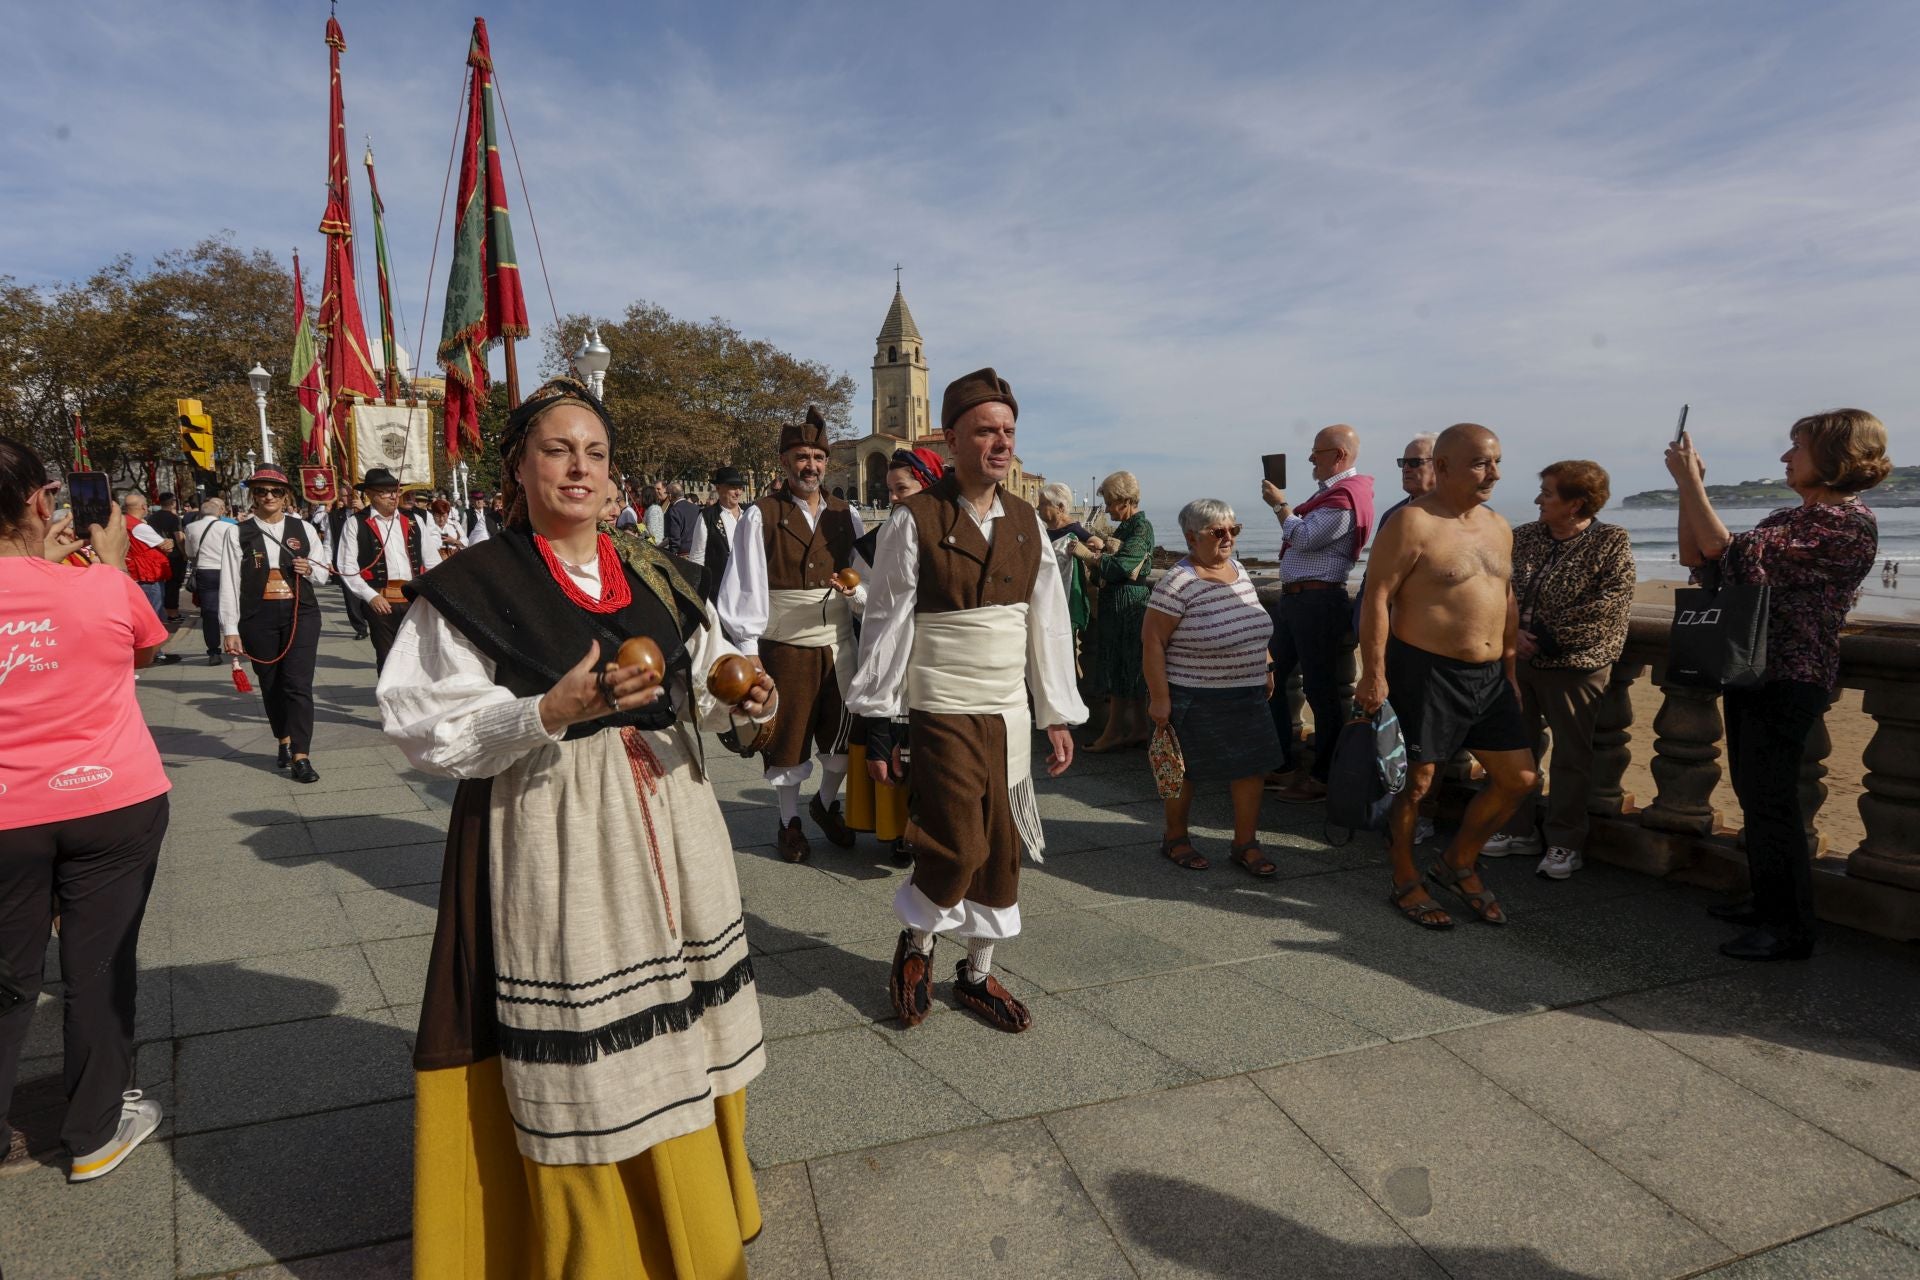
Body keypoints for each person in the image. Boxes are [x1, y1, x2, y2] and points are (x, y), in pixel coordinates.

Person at [376, 377, 776, 1277]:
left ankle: (702, 1221)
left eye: (594, 453)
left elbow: (706, 674)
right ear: (516, 466)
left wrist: (744, 689)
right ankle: (605, 1252)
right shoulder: (473, 584)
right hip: (559, 827)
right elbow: (421, 725)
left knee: (693, 1027)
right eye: (557, 449)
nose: (578, 468)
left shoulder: (652, 570)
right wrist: (546, 710)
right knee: (593, 1050)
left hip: (675, 821)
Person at [849, 368, 1086, 1034]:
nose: (1000, 443)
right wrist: (880, 720)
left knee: (1002, 850)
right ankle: (917, 946)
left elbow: (1047, 620)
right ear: (951, 438)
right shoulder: (913, 519)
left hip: (1007, 708)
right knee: (958, 842)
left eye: (1008, 431)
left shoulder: (1027, 521)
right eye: (986, 430)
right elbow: (888, 621)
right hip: (942, 701)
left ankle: (976, 972)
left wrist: (1055, 712)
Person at [0, 437, 169, 1184]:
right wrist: (102, 567)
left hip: (7, 815)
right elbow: (143, 651)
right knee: (97, 967)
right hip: (111, 799)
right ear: (41, 500)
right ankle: (96, 1130)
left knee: (6, 978)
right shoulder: (101, 584)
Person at [1670, 410, 1888, 961]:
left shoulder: (1850, 524)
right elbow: (1700, 557)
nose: (1786, 457)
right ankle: (1767, 902)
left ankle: (1789, 927)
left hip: (1793, 674)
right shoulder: (1785, 516)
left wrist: (1691, 481)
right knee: (1753, 792)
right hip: (1752, 665)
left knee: (1773, 801)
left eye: (1797, 446)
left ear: (1837, 455)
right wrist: (1684, 491)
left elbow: (1726, 550)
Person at [1356, 423, 1537, 930]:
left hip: (1489, 677)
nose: (1494, 473)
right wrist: (1374, 672)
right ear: (1444, 466)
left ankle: (1457, 861)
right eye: (1482, 463)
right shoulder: (1413, 523)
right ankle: (1405, 878)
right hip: (1425, 669)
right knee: (1417, 785)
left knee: (1519, 778)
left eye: (1497, 461)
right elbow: (1377, 595)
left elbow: (1504, 596)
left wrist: (1509, 668)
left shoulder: (1499, 526)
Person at [717, 407, 865, 861]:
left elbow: (864, 574)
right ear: (784, 462)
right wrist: (749, 649)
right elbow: (744, 582)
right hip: (785, 645)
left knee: (843, 740)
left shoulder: (848, 515)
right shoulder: (761, 516)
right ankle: (789, 822)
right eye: (802, 457)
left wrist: (857, 596)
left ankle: (823, 805)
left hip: (839, 641)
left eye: (819, 457)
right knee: (789, 740)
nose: (811, 466)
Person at [1481, 461, 1634, 878]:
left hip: (1575, 667)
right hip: (1517, 663)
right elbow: (1495, 587)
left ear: (1576, 503)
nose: (1537, 500)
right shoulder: (1524, 536)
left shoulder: (1610, 540)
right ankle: (1517, 830)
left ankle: (1565, 842)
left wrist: (1543, 638)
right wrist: (1511, 636)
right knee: (1517, 748)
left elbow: (1611, 604)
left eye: (1547, 493)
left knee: (1572, 757)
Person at [1142, 499, 1281, 874]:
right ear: (1191, 537)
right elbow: (1152, 641)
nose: (1227, 538)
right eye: (1217, 532)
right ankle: (1175, 839)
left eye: (1233, 530)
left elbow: (1251, 619)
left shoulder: (1238, 569)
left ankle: (1245, 844)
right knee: (1185, 770)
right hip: (1194, 692)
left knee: (1251, 768)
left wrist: (1266, 662)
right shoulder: (1178, 582)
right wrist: (1159, 699)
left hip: (1247, 690)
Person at [1262, 424, 1374, 803]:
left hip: (1318, 602)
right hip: (1298, 601)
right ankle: (1282, 764)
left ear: (1338, 455)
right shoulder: (1331, 494)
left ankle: (1325, 776)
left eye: (1317, 452)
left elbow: (1306, 538)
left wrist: (1281, 505)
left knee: (1321, 691)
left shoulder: (1345, 496)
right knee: (1271, 676)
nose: (1310, 458)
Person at [845, 446, 945, 867]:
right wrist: (855, 595)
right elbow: (880, 613)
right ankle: (897, 832)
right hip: (895, 658)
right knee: (894, 745)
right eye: (890, 491)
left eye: (902, 489)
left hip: (936, 659)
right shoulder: (877, 541)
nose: (894, 500)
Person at [220, 466, 330, 783]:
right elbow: (229, 581)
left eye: (275, 491)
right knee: (271, 685)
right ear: (252, 495)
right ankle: (283, 738)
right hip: (258, 616)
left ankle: (301, 755)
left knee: (298, 685)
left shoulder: (304, 528)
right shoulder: (236, 532)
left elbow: (323, 573)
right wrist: (230, 628)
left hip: (301, 612)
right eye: (261, 491)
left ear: (285, 496)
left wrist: (309, 567)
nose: (268, 496)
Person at [1066, 471, 1153, 751]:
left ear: (1126, 501)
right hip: (1119, 602)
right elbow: (1111, 571)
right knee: (1127, 668)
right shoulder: (1127, 529)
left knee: (1122, 668)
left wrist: (1089, 556)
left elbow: (1121, 568)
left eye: (1111, 502)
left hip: (1129, 606)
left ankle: (1113, 732)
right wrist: (1104, 555)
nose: (1107, 508)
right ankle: (1138, 728)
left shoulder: (1141, 527)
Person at [335, 467, 439, 672]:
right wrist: (370, 596)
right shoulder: (356, 523)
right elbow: (347, 566)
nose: (393, 496)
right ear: (371, 494)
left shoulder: (414, 520)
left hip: (414, 601)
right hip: (381, 603)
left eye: (395, 490)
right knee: (389, 660)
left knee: (419, 659)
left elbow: (433, 562)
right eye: (386, 491)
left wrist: (430, 594)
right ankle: (392, 702)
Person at [119, 491, 178, 645]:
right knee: (154, 614)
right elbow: (166, 546)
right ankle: (154, 650)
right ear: (144, 507)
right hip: (148, 574)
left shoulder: (123, 523)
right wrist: (169, 542)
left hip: (135, 572)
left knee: (145, 613)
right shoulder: (139, 527)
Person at [183, 498, 237, 664]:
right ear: (219, 512)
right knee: (235, 606)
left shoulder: (191, 527)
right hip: (228, 570)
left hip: (205, 571)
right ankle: (239, 642)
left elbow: (190, 552)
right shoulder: (230, 527)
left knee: (209, 612)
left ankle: (213, 651)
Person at [1037, 482, 1092, 641]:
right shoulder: (1045, 531)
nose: (1038, 507)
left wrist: (1085, 551)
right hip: (1046, 598)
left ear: (1060, 507)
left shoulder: (1073, 530)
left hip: (1065, 599)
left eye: (1042, 504)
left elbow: (1097, 545)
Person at [688, 466, 748, 603]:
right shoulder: (707, 517)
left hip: (746, 589)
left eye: (740, 487)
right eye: (733, 487)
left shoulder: (749, 515)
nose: (738, 492)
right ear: (719, 488)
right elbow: (697, 558)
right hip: (719, 591)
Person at [325, 493, 371, 641]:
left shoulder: (369, 513)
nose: (350, 499)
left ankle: (373, 622)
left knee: (369, 596)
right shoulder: (333, 517)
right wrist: (328, 560)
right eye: (345, 496)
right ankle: (360, 627)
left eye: (353, 496)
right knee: (351, 598)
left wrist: (364, 510)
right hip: (346, 563)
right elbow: (328, 541)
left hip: (368, 562)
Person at [148, 493, 186, 621]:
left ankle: (162, 610)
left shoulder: (151, 518)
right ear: (173, 502)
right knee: (174, 584)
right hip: (174, 555)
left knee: (161, 585)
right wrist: (184, 553)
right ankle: (172, 613)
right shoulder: (174, 518)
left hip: (158, 554)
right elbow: (179, 537)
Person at [662, 482, 701, 557]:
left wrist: (672, 555)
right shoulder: (696, 508)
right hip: (697, 552)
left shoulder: (674, 510)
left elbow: (675, 537)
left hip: (683, 554)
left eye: (667, 493)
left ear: (670, 495)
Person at [643, 480, 668, 545]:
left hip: (658, 543)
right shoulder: (655, 505)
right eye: (655, 489)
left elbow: (653, 532)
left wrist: (642, 529)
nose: (656, 491)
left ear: (665, 489)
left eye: (658, 489)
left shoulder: (655, 508)